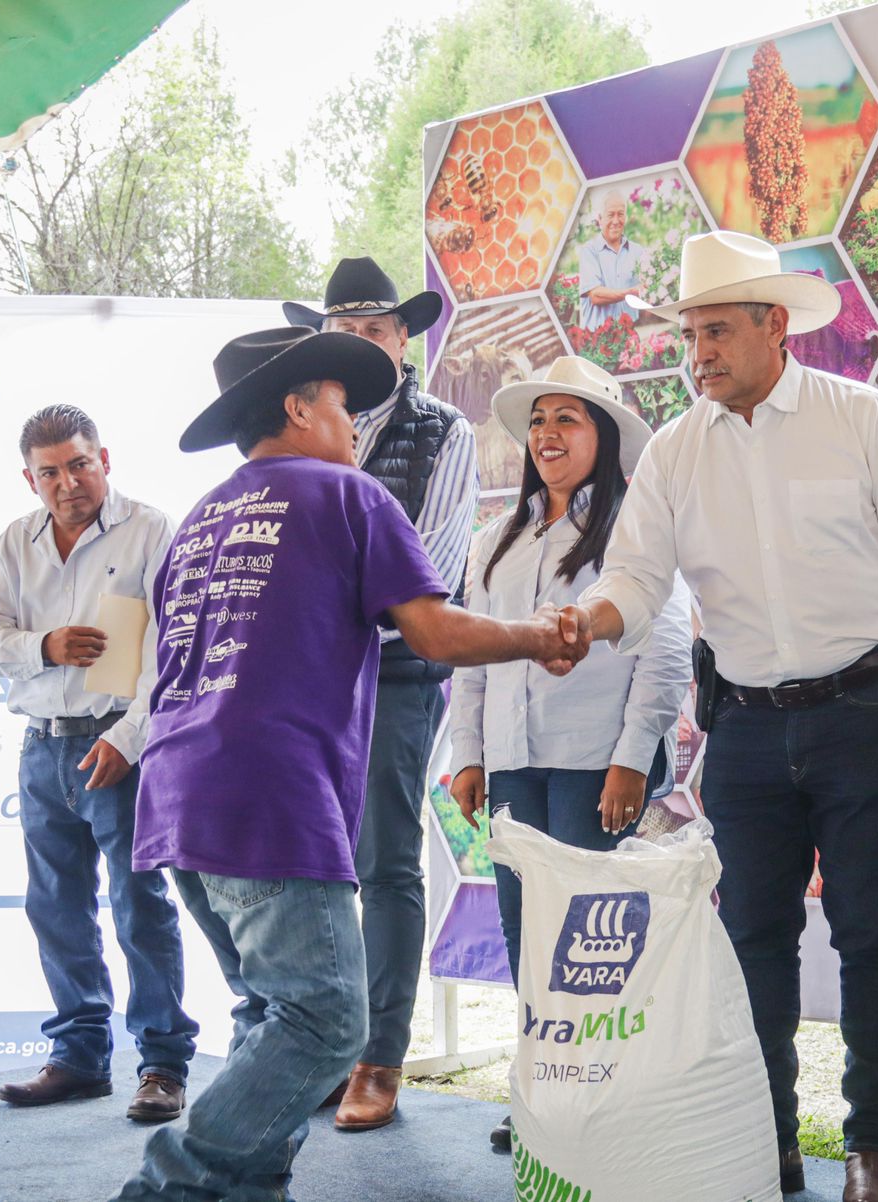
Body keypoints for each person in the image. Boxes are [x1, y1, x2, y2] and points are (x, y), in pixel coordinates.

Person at [111, 327, 587, 1202]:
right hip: (270, 794)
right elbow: (433, 632)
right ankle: (172, 1189)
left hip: (178, 795)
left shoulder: (202, 517)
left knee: (272, 1013)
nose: (355, 423)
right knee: (328, 1021)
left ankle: (249, 1191)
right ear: (298, 409)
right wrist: (539, 636)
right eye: (339, 403)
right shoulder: (348, 493)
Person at [565, 229, 878, 1200]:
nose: (698, 353)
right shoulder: (673, 451)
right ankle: (769, 1141)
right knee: (752, 934)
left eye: (716, 331)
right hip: (743, 728)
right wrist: (581, 621)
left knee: (869, 929)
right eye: (690, 335)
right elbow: (635, 578)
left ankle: (873, 1148)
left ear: (774, 325)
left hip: (868, 710)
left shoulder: (865, 419)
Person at [447, 354, 690, 1152]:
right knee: (526, 927)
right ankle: (543, 1093)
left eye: (568, 419)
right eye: (539, 421)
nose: (548, 434)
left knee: (591, 939)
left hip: (595, 762)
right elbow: (475, 655)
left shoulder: (636, 531)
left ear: (606, 436)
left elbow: (665, 653)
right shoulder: (496, 538)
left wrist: (632, 759)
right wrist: (470, 754)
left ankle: (601, 1099)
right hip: (515, 762)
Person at [283, 256, 478, 1130]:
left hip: (397, 670)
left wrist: (330, 610)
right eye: (343, 333)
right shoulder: (297, 425)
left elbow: (431, 569)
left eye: (374, 330)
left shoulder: (445, 431)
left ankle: (379, 1057)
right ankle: (326, 1045)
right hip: (309, 674)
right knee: (310, 864)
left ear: (403, 340)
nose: (359, 344)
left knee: (385, 861)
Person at [0, 405, 197, 1123]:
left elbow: (171, 651)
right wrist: (45, 646)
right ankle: (78, 1058)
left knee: (140, 907)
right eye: (51, 473)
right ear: (29, 479)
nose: (68, 483)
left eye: (79, 465)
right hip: (41, 748)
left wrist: (128, 740)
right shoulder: (16, 541)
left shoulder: (150, 530)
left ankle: (162, 1064)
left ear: (105, 460)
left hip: (118, 748)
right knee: (56, 908)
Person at [577, 189, 646, 331]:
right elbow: (596, 296)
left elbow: (647, 290)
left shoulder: (638, 252)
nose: (616, 221)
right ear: (600, 218)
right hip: (597, 338)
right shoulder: (589, 251)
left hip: (629, 336)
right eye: (610, 215)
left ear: (626, 217)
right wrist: (632, 292)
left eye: (620, 214)